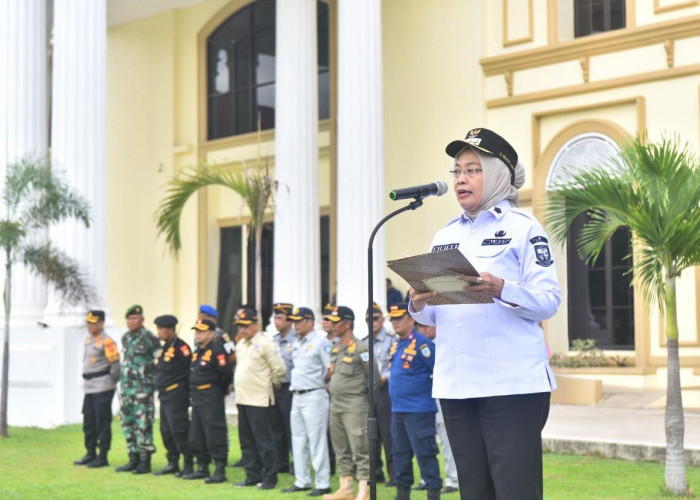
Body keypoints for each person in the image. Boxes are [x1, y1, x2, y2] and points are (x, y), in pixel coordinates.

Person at [409, 127, 561, 500]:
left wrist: (502, 289)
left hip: (510, 386)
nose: (461, 178)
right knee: (473, 492)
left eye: (472, 169)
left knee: (515, 492)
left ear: (497, 175)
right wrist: (419, 302)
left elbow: (549, 300)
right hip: (457, 385)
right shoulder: (444, 236)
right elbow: (437, 317)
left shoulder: (523, 228)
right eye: (457, 171)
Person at [324, 306, 381, 500]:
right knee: (340, 447)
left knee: (360, 448)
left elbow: (374, 378)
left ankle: (364, 491)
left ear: (347, 323)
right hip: (336, 404)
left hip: (354, 405)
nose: (332, 326)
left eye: (335, 322)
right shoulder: (336, 346)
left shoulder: (361, 348)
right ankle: (346, 487)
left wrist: (364, 400)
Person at [387, 303, 441, 500]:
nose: (395, 323)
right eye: (392, 319)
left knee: (425, 453)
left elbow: (437, 370)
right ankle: (403, 493)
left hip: (419, 410)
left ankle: (433, 493)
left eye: (399, 318)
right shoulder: (396, 344)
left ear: (411, 319)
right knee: (399, 453)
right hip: (398, 410)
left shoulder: (423, 344)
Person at [233, 307, 287, 490]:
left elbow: (280, 368)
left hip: (260, 400)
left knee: (264, 441)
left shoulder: (266, 343)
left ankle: (270, 477)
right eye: (240, 326)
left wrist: (273, 383)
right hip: (242, 399)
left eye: (246, 326)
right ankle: (252, 475)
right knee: (246, 440)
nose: (242, 329)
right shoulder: (241, 345)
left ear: (256, 325)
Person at [282, 307, 332, 496]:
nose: (295, 325)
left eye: (298, 321)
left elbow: (331, 367)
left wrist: (322, 383)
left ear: (310, 322)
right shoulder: (297, 342)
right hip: (297, 394)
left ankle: (322, 482)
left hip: (314, 394)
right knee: (298, 439)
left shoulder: (321, 342)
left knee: (316, 440)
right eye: (293, 321)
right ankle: (301, 480)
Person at [185, 319, 233, 484]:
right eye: (196, 331)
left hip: (211, 396)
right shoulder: (197, 352)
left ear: (211, 334)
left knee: (215, 432)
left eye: (201, 331)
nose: (197, 334)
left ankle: (220, 469)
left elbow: (225, 374)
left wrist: (219, 390)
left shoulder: (217, 351)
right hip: (197, 397)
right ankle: (202, 467)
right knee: (196, 434)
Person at [115, 305, 161, 474]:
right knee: (127, 423)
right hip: (127, 389)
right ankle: (132, 457)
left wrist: (152, 381)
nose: (131, 322)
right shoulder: (125, 338)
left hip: (143, 390)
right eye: (129, 319)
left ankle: (144, 460)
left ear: (142, 320)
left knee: (143, 424)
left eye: (134, 318)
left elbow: (160, 360)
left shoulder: (149, 337)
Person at [74, 310, 120, 468]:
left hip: (103, 386)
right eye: (88, 323)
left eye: (93, 323)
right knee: (89, 422)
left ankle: (102, 455)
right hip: (89, 388)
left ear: (101, 323)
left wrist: (111, 382)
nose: (90, 326)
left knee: (102, 422)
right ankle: (90, 452)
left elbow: (115, 366)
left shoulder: (107, 342)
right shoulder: (88, 340)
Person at [416, 322, 458, 495]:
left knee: (447, 439)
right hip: (424, 398)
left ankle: (453, 479)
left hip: (441, 396)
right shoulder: (416, 344)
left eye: (426, 326)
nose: (423, 329)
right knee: (424, 439)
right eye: (420, 326)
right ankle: (426, 478)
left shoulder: (445, 342)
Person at [152, 314, 193, 477]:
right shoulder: (166, 347)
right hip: (164, 396)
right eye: (158, 328)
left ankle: (188, 464)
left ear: (170, 330)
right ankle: (173, 462)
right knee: (166, 431)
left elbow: (187, 372)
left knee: (180, 430)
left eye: (161, 329)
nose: (159, 332)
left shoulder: (181, 348)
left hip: (176, 395)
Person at [365, 303, 395, 486]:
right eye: (368, 319)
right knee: (371, 434)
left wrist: (385, 378)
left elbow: (395, 365)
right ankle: (376, 473)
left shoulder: (391, 340)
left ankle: (394, 475)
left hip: (386, 391)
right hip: (370, 393)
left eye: (375, 318)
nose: (372, 322)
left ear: (382, 319)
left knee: (388, 435)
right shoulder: (364, 341)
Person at [271, 302, 296, 474]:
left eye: (280, 318)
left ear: (289, 320)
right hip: (275, 389)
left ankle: (297, 464)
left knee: (291, 429)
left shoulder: (296, 339)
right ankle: (281, 463)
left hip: (290, 389)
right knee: (277, 428)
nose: (276, 321)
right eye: (275, 318)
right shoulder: (273, 340)